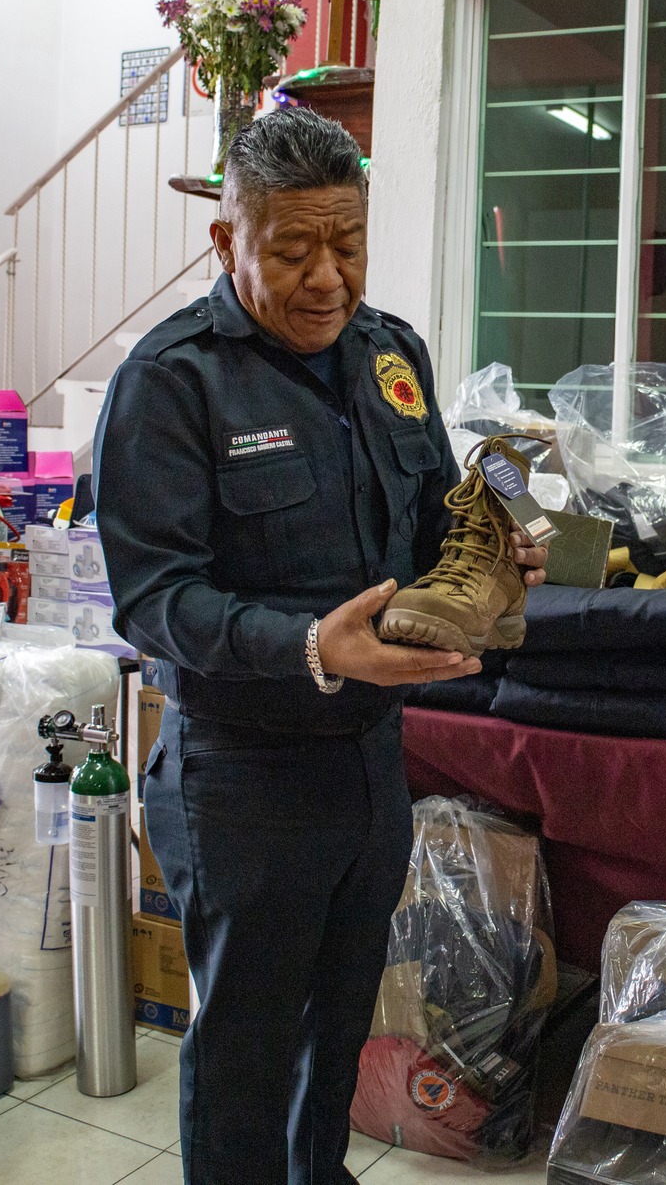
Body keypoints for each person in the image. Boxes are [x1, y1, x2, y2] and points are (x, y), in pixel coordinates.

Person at [92, 108, 547, 1185]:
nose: (326, 278)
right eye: (292, 250)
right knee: (245, 1050)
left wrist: (492, 547)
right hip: (241, 774)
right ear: (226, 241)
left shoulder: (391, 354)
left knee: (335, 1027)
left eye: (346, 245)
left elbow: (435, 514)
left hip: (369, 764)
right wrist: (313, 645)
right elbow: (151, 599)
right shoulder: (170, 383)